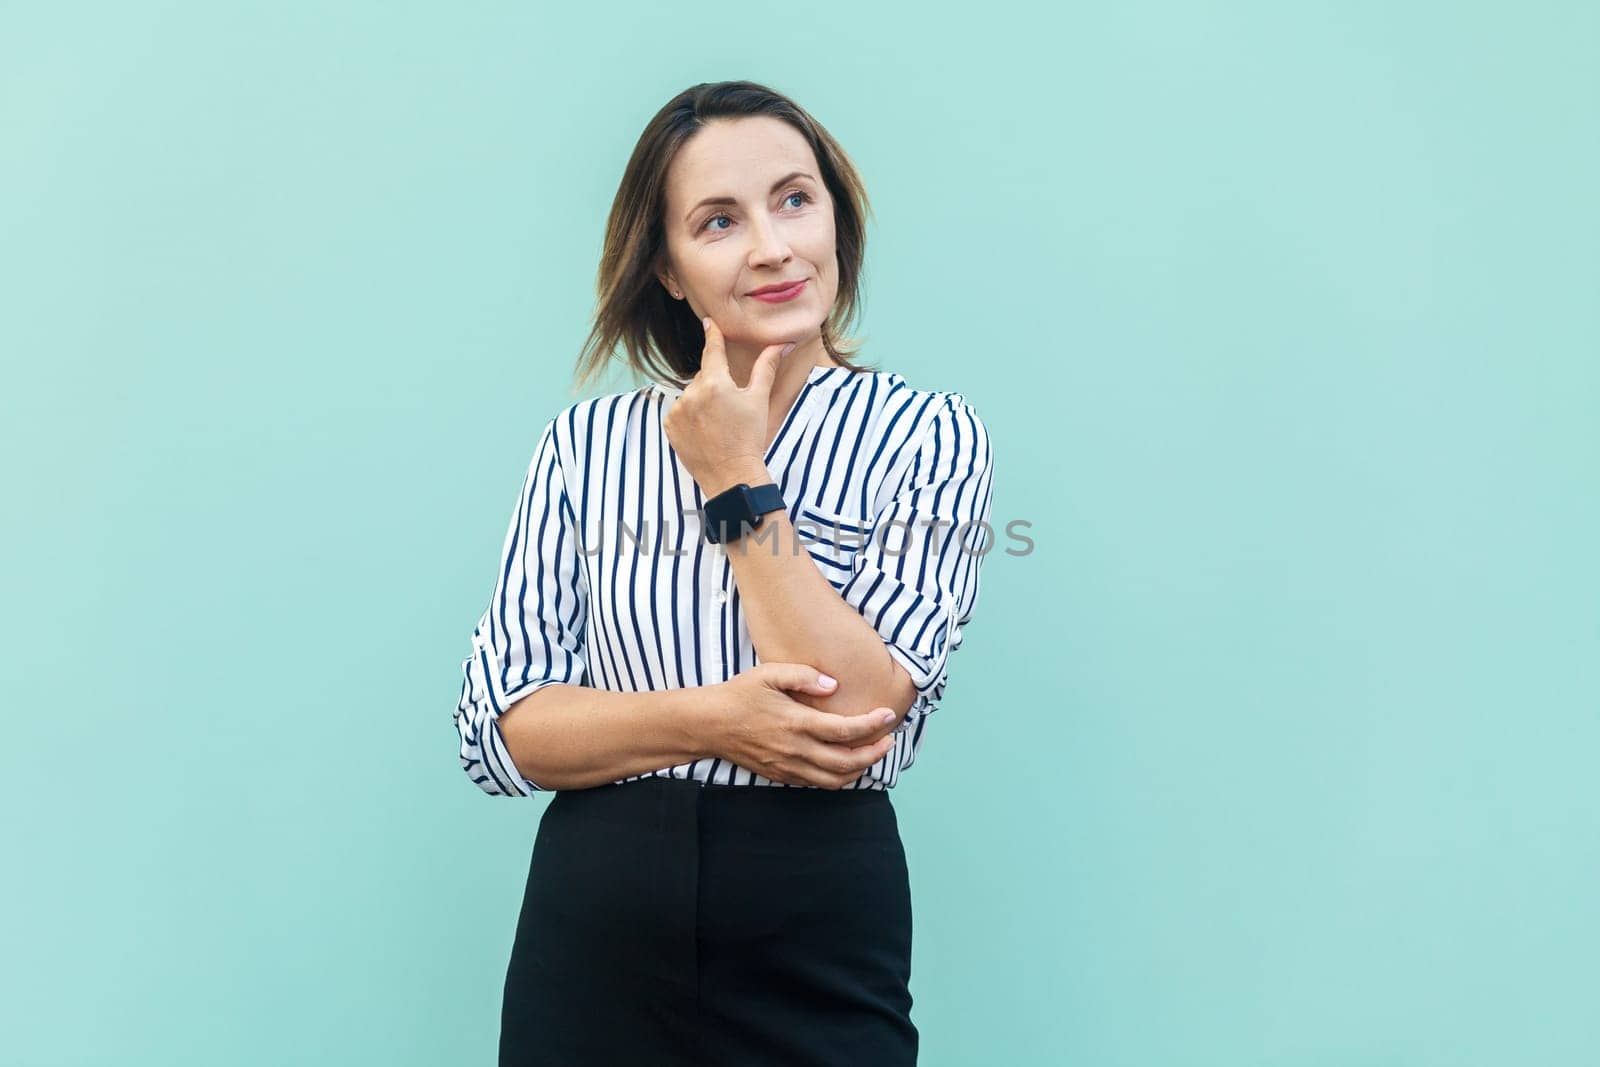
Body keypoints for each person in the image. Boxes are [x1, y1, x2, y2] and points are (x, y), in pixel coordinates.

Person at [453, 80, 995, 1066]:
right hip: (596, 926)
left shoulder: (927, 434)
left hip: (814, 915)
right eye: (718, 220)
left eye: (795, 198)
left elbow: (862, 714)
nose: (772, 246)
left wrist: (736, 478)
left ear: (836, 212)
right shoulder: (585, 444)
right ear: (666, 267)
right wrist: (709, 720)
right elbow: (501, 729)